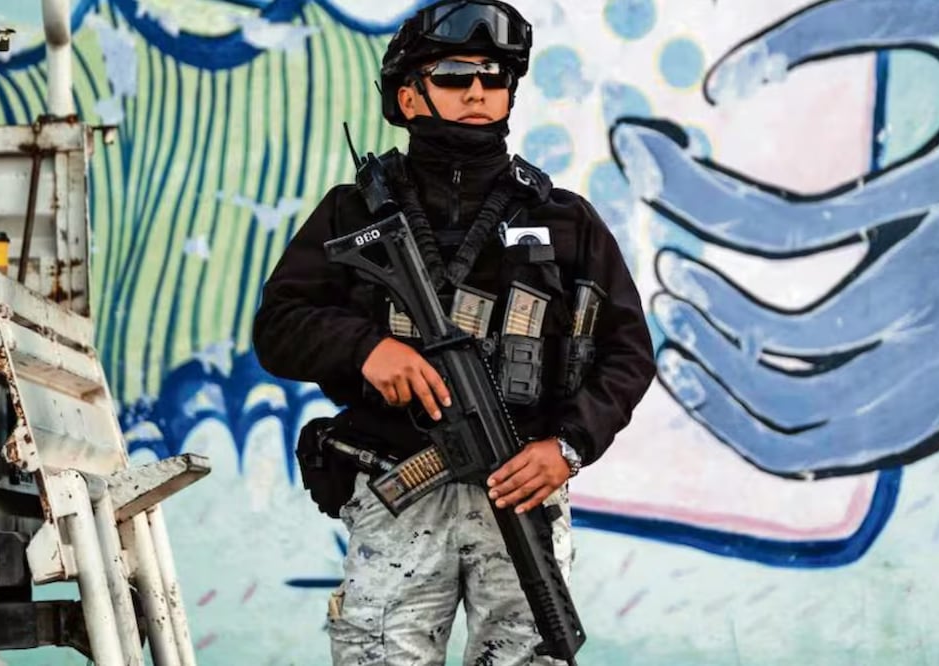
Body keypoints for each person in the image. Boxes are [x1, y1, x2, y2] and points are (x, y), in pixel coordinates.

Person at [253, 1, 655, 663]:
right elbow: (281, 325)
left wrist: (570, 446)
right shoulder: (355, 212)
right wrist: (367, 348)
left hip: (523, 486)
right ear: (409, 96)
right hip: (400, 489)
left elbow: (627, 352)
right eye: (454, 75)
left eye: (494, 79)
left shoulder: (563, 220)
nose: (477, 91)